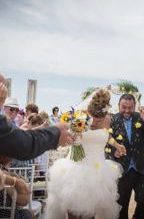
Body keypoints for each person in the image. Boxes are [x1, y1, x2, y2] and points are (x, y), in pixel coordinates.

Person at [0, 83, 73, 218]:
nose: (14, 113)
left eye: (16, 110)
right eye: (11, 109)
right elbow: (21, 144)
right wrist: (55, 133)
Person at [46, 89, 126, 219]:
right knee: (73, 212)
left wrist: (117, 145)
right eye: (94, 119)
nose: (95, 122)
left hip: (99, 173)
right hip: (76, 169)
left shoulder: (107, 120)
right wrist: (72, 138)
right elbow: (68, 136)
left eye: (99, 120)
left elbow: (107, 135)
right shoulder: (80, 116)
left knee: (92, 213)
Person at [106, 93, 144, 219]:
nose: (127, 110)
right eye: (124, 107)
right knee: (121, 204)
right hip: (122, 169)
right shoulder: (112, 120)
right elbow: (106, 143)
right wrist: (114, 152)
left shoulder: (141, 117)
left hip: (142, 167)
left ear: (135, 106)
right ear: (118, 105)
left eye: (130, 107)